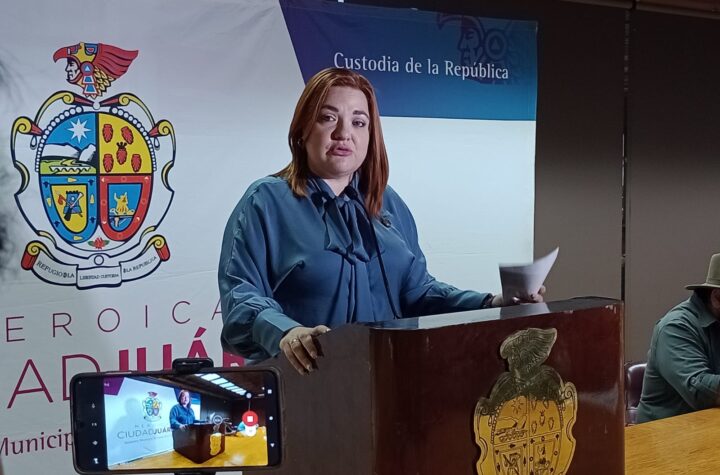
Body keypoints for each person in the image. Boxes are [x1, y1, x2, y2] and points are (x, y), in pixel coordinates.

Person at [218, 67, 543, 375]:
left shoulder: (388, 203)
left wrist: (492, 303)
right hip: (301, 388)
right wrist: (286, 332)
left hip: (385, 384)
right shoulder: (265, 201)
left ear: (371, 135)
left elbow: (419, 294)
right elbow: (242, 299)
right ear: (303, 130)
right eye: (328, 118)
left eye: (359, 122)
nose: (344, 133)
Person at [637, 253, 720, 423]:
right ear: (717, 297)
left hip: (706, 427)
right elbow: (700, 391)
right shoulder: (675, 327)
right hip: (666, 434)